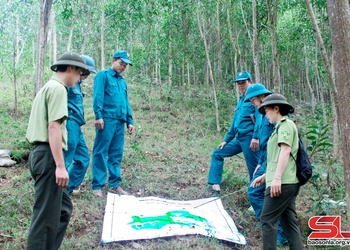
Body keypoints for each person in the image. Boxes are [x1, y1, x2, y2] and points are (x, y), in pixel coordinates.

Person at [26, 53, 88, 249]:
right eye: (79, 73)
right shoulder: (58, 89)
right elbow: (53, 127)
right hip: (48, 156)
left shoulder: (46, 88)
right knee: (44, 219)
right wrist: (61, 166)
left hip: (39, 154)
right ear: (69, 69)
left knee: (63, 209)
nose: (79, 78)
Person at [251, 93, 302, 249]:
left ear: (276, 108)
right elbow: (277, 159)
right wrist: (266, 177)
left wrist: (277, 179)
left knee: (267, 220)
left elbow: (286, 151)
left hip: (282, 183)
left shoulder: (285, 124)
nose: (265, 115)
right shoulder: (277, 128)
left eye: (267, 111)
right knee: (289, 223)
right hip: (284, 182)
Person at [244, 84, 287, 246]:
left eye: (253, 99)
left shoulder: (275, 113)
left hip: (274, 161)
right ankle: (268, 224)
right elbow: (265, 142)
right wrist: (260, 162)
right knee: (261, 194)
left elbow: (279, 141)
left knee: (256, 192)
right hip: (265, 160)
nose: (252, 102)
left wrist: (271, 167)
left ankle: (279, 233)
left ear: (262, 97)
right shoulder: (262, 114)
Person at [207, 71, 260, 195]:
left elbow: (260, 120)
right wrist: (226, 139)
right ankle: (214, 185)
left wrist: (256, 137)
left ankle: (256, 197)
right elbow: (235, 122)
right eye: (239, 84)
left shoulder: (255, 99)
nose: (241, 86)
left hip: (250, 138)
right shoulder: (241, 100)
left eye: (243, 83)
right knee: (217, 153)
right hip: (239, 138)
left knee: (253, 169)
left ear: (250, 82)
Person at [91, 50, 135, 197]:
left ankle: (115, 184)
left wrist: (130, 120)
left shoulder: (122, 82)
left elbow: (125, 102)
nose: (123, 67)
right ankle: (97, 185)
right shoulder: (103, 76)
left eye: (125, 65)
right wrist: (98, 116)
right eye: (121, 63)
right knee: (100, 152)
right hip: (106, 120)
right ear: (114, 60)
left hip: (120, 121)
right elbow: (98, 96)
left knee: (116, 154)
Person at [64, 55, 96, 195]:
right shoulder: (68, 83)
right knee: (65, 159)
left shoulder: (77, 84)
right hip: (69, 123)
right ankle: (57, 194)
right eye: (86, 71)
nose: (87, 75)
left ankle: (66, 190)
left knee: (83, 159)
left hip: (77, 125)